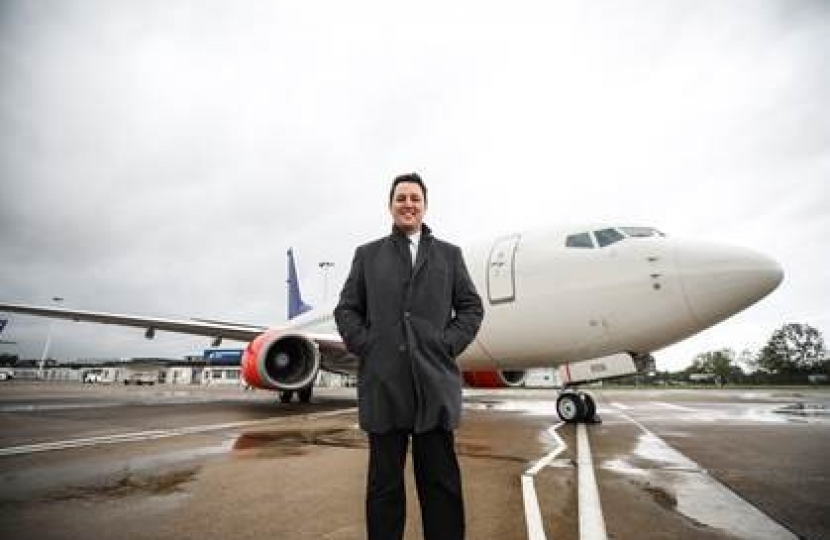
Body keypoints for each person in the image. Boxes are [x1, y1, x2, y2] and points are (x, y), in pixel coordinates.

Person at [334, 173, 484, 540]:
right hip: (384, 386)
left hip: (434, 386)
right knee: (384, 488)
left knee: (441, 487)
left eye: (415, 198)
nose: (408, 204)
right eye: (401, 198)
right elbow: (347, 310)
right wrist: (369, 345)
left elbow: (471, 308)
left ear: (425, 206)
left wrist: (446, 344)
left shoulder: (449, 255)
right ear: (391, 206)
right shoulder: (367, 255)